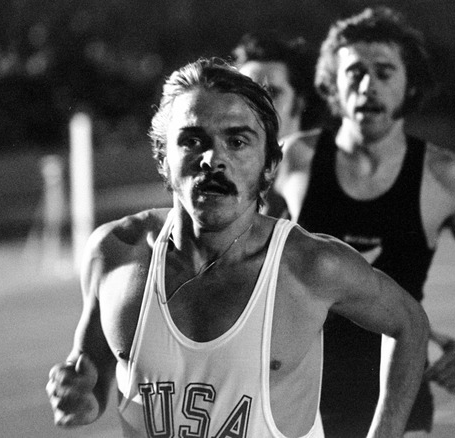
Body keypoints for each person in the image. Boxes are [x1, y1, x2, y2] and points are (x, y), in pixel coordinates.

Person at [46, 58, 430, 438]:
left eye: (237, 141)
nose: (213, 159)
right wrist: (79, 398)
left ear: (269, 165)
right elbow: (90, 380)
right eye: (193, 140)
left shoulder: (310, 266)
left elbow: (408, 322)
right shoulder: (115, 254)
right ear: (163, 158)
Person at [270, 7, 455, 436]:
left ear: (410, 83)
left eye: (384, 72)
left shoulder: (442, 175)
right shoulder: (296, 159)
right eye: (354, 73)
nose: (368, 87)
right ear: (332, 82)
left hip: (399, 390)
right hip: (300, 388)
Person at [232, 31, 329, 217]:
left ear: (300, 102)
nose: (256, 105)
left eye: (272, 93)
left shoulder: (323, 170)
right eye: (245, 94)